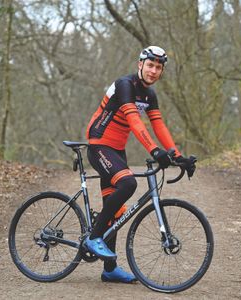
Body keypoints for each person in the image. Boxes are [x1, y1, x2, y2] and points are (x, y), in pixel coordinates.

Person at [84, 46, 196, 283]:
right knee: (127, 183)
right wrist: (155, 151)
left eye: (159, 67)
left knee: (113, 210)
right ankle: (94, 237)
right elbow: (134, 120)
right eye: (150, 65)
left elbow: (158, 126)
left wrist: (178, 156)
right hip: (99, 145)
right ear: (140, 64)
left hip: (117, 150)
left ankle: (109, 269)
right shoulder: (125, 85)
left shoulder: (150, 95)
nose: (154, 71)